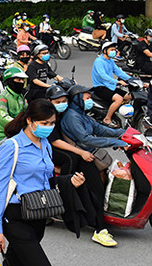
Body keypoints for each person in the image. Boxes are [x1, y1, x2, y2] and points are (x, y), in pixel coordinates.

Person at [0, 99, 85, 265]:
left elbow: (46, 180)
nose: (49, 127)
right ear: (30, 120)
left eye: (52, 123)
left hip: (38, 212)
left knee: (16, 261)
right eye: (44, 123)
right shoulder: (12, 146)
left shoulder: (45, 144)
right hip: (15, 216)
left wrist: (70, 181)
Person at [56, 84, 121, 247]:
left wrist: (124, 133)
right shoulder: (72, 117)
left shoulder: (81, 114)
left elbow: (100, 129)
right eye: (87, 98)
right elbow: (86, 139)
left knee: (105, 181)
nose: (90, 101)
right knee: (97, 190)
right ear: (78, 99)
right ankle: (100, 230)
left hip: (90, 154)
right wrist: (116, 142)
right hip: (82, 157)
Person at [92, 42, 132, 126]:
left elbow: (119, 72)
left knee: (129, 96)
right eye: (112, 50)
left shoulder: (110, 61)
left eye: (114, 50)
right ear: (105, 51)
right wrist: (117, 82)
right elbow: (103, 75)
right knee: (119, 99)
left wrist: (132, 79)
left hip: (110, 86)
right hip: (100, 87)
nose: (114, 51)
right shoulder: (99, 61)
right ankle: (107, 118)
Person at [0, 67, 28, 143]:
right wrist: (19, 123)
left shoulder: (20, 96)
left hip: (16, 131)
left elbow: (26, 110)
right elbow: (3, 117)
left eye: (22, 80)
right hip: (3, 134)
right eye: (19, 80)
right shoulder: (3, 97)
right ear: (10, 81)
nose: (21, 82)